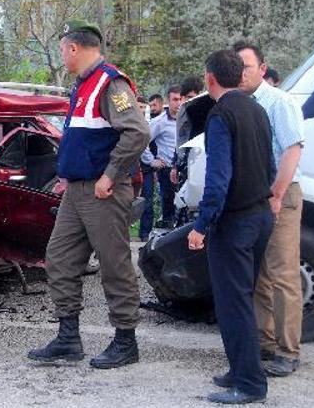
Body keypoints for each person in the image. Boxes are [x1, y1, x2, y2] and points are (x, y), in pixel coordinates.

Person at [27, 20, 149, 369]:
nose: (62, 55)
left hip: (103, 191)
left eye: (63, 48)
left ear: (74, 48)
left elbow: (137, 133)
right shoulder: (83, 86)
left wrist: (110, 175)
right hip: (77, 190)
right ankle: (68, 338)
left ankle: (126, 341)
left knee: (114, 264)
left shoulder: (112, 83)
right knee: (59, 257)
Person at [187, 49, 275, 404]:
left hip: (236, 223)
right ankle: (239, 370)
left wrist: (202, 224)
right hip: (259, 216)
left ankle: (250, 384)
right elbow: (270, 165)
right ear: (240, 75)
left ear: (210, 78)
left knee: (232, 304)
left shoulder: (221, 115)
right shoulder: (257, 110)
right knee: (242, 299)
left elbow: (218, 178)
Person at [235, 40, 305, 377]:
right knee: (259, 274)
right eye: (237, 67)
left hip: (280, 195)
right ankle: (263, 341)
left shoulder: (279, 102)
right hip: (252, 199)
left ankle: (288, 351)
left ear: (263, 69)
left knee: (283, 275)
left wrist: (276, 195)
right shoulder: (239, 104)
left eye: (246, 66)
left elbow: (292, 150)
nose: (241, 73)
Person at [139, 85, 181, 239]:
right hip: (167, 170)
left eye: (181, 99)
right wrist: (151, 161)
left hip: (186, 169)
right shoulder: (160, 122)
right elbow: (142, 142)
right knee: (168, 207)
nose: (178, 103)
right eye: (175, 99)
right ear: (168, 101)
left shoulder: (189, 118)